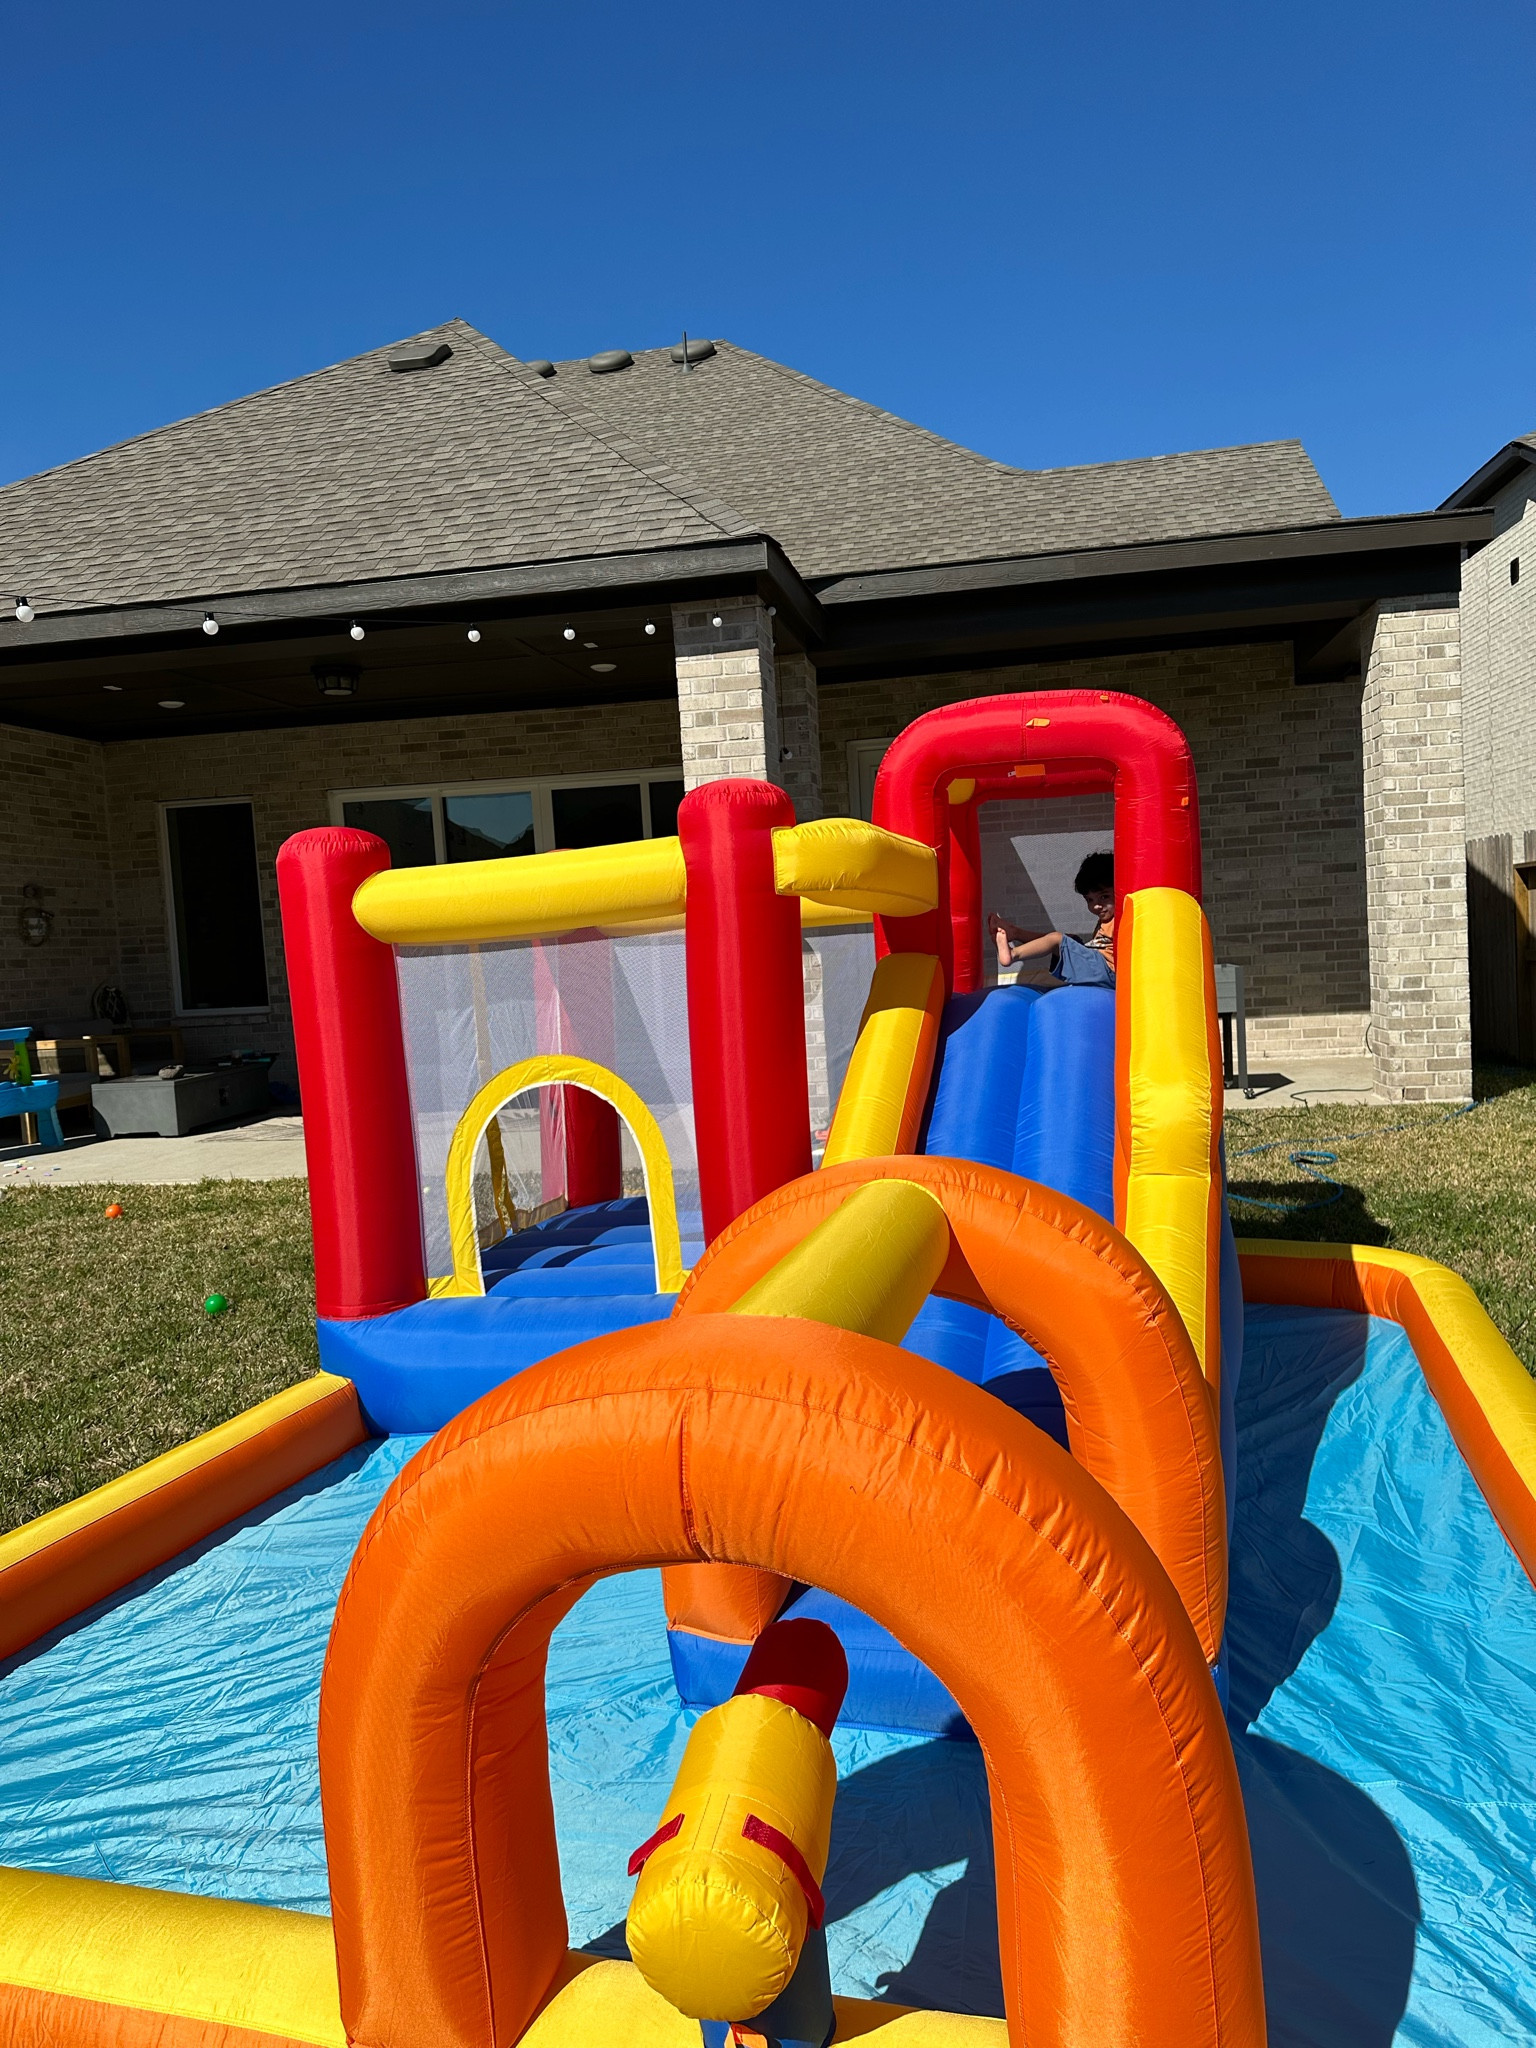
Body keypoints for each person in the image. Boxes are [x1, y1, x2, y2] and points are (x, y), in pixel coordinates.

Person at [989, 851, 1115, 987]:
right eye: (1089, 899)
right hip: (1099, 966)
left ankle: (1013, 954)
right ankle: (1016, 933)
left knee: (1057, 940)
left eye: (1104, 896)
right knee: (1069, 940)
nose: (1096, 905)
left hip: (1107, 972)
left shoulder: (1120, 918)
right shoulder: (1107, 917)